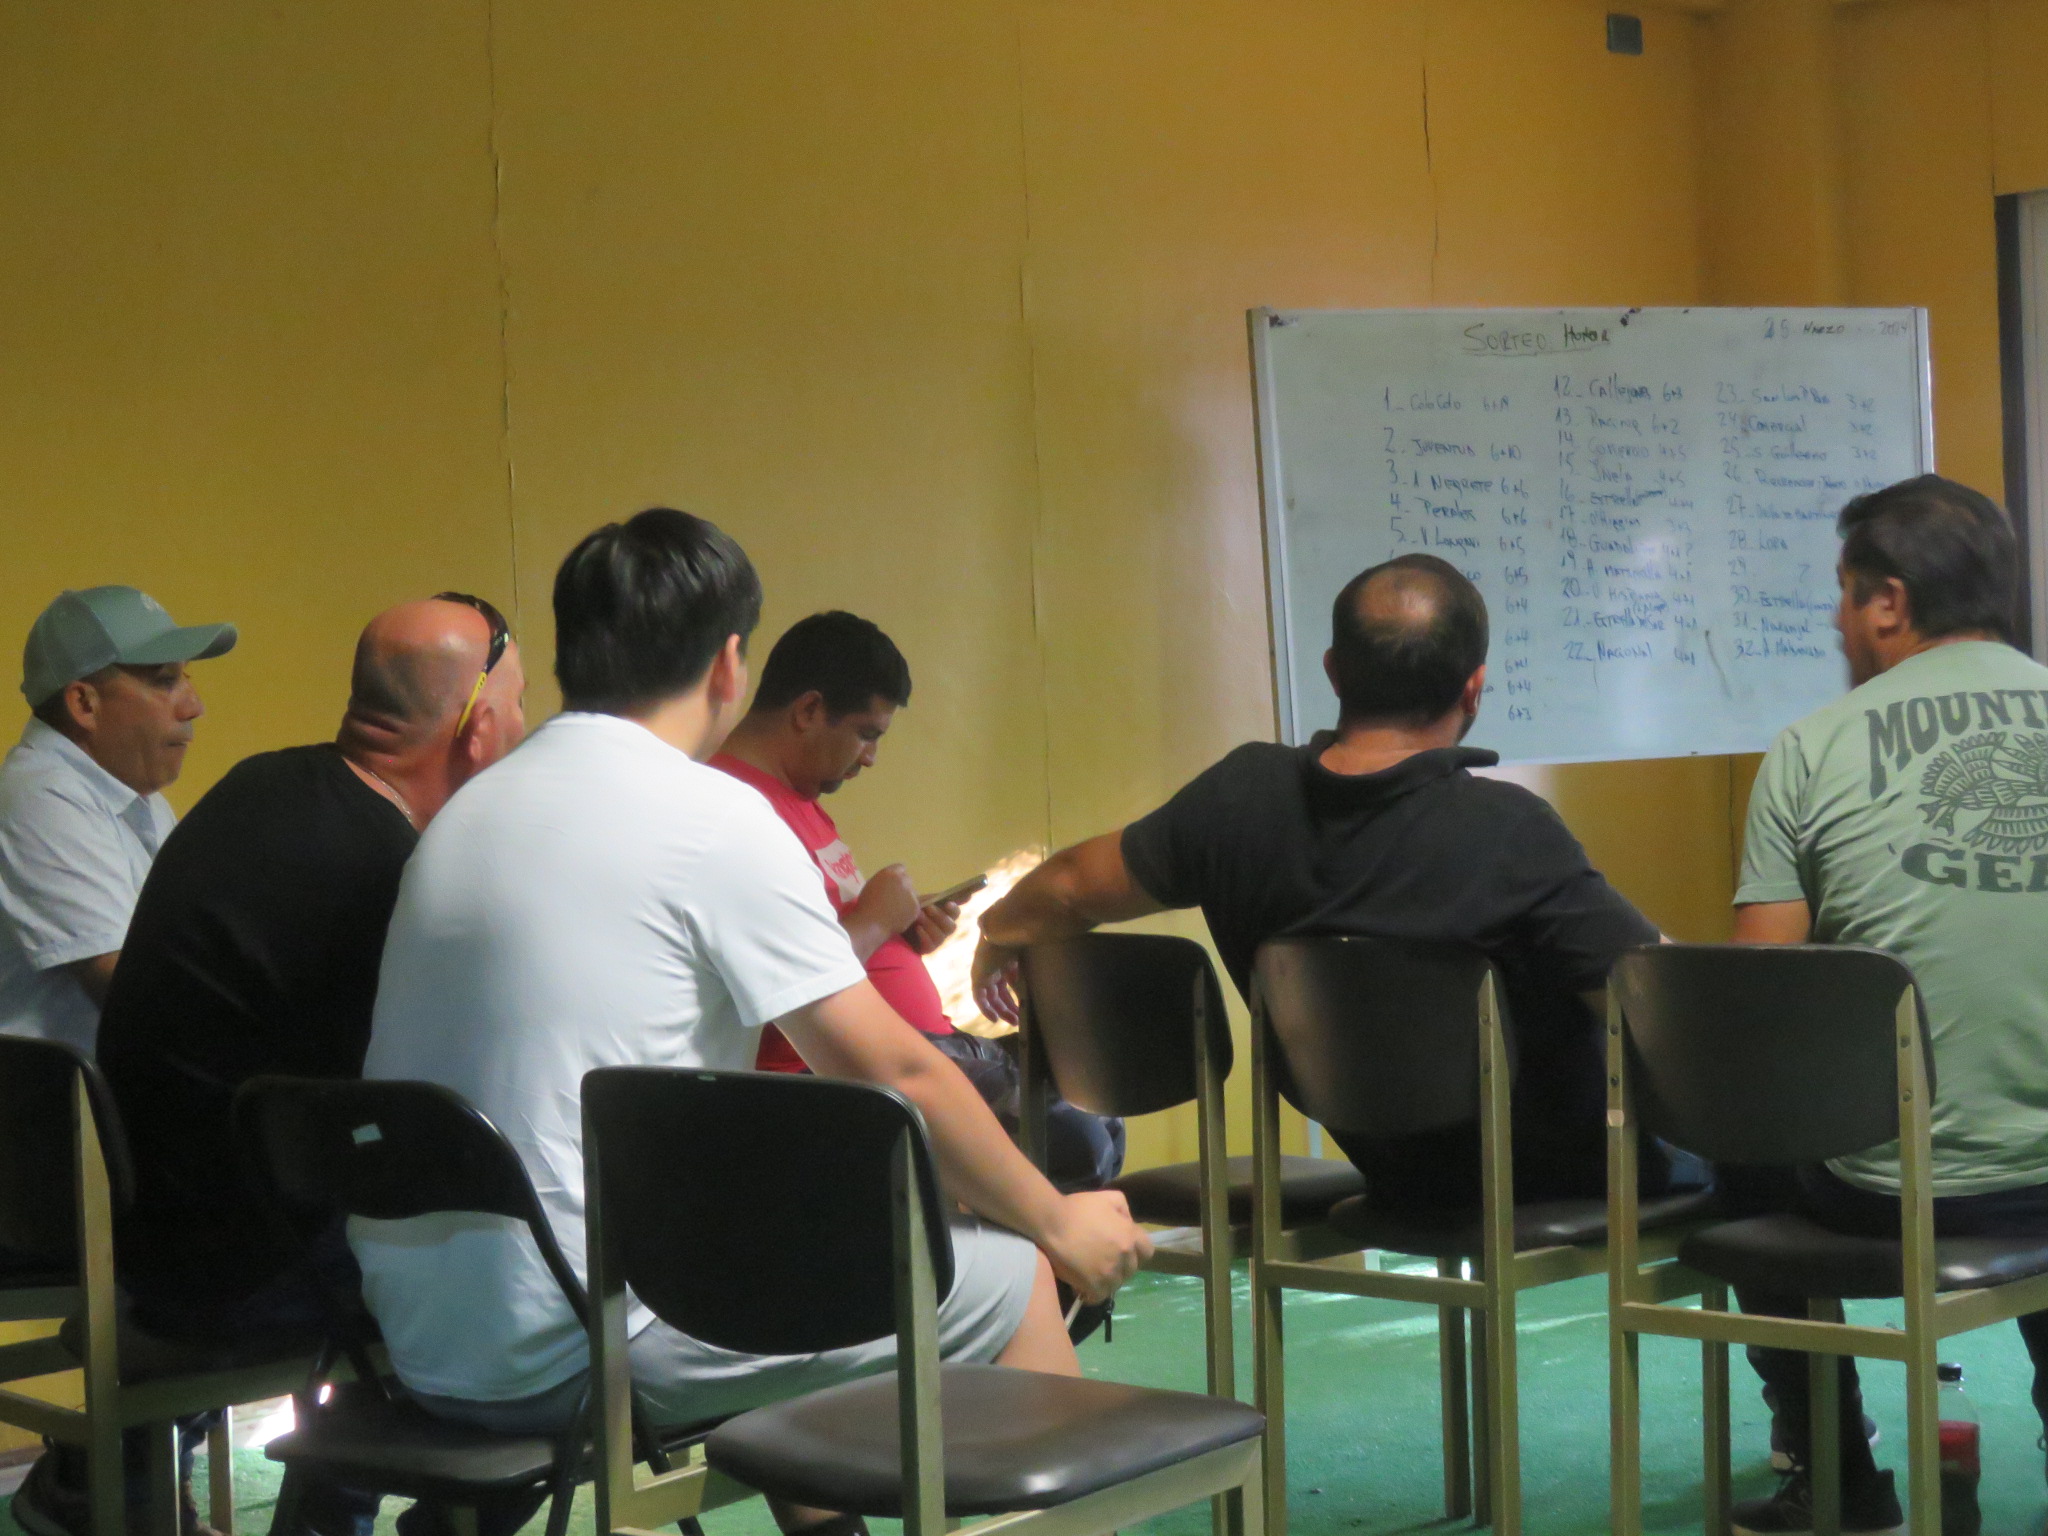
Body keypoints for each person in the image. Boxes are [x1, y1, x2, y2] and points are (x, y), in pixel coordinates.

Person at [351, 509, 1148, 1536]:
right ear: (730, 664)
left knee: (774, 1260)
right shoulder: (712, 816)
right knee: (1015, 1275)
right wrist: (1059, 1222)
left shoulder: (462, 815)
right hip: (582, 1337)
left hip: (421, 1334)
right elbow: (895, 1072)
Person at [9, 597, 527, 1536]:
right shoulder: (398, 874)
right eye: (520, 707)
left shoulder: (262, 785)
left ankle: (133, 1487)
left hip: (159, 1224)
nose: (192, 703)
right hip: (222, 1264)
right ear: (479, 730)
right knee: (514, 1281)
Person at [973, 552, 1669, 1214]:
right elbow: (1663, 1004)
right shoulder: (1511, 833)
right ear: (1474, 688)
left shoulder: (1237, 799)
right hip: (1560, 1178)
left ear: (1335, 672)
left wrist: (998, 931)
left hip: (1393, 1175)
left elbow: (1069, 885)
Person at [1726, 474, 2048, 1536]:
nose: (1834, 619)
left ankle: (1834, 1478)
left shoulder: (1809, 749)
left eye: (1840, 591)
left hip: (1884, 1192)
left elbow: (1758, 1008)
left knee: (1740, 1145)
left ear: (1888, 602)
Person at [712, 609, 1124, 1193]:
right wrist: (877, 920)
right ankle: (1034, 1247)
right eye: (867, 734)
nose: (870, 757)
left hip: (922, 1042)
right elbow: (782, 982)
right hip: (831, 1073)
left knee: (1098, 1099)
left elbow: (830, 936)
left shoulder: (798, 800)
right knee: (1076, 1141)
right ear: (808, 710)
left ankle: (1040, 1248)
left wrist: (902, 927)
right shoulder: (733, 808)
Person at [0, 586, 234, 1057]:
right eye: (165, 680)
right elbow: (129, 991)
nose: (194, 706)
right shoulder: (41, 794)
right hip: (51, 1102)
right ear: (84, 704)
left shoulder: (134, 796)